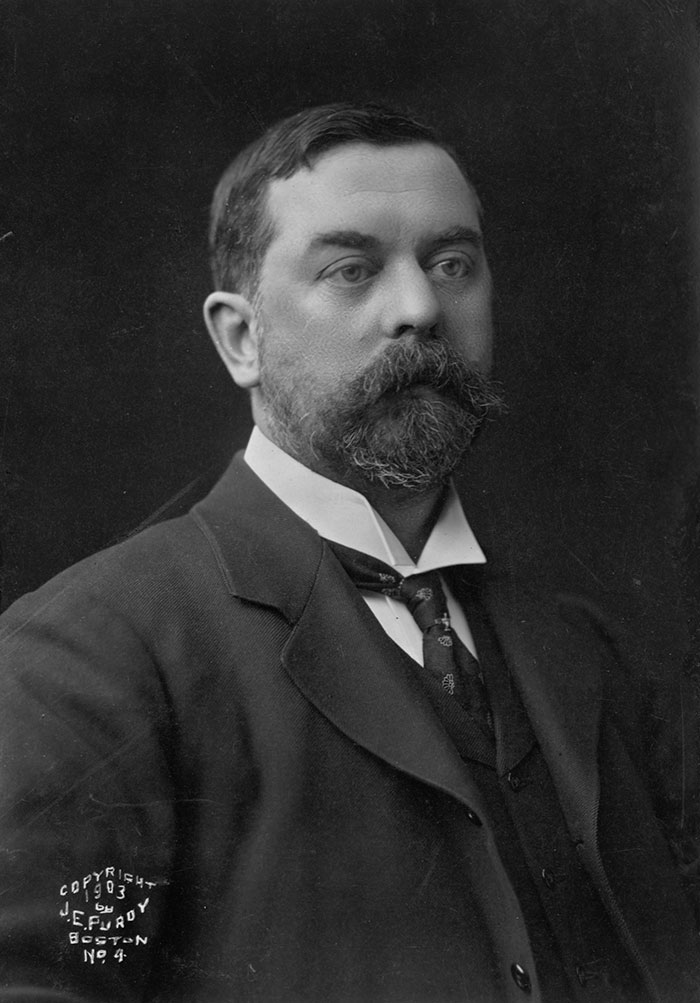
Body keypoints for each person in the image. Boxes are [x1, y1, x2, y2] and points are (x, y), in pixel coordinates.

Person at [0, 103, 698, 1003]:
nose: (420, 308)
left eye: (452, 264)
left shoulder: (587, 647)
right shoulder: (91, 657)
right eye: (352, 270)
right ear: (241, 338)